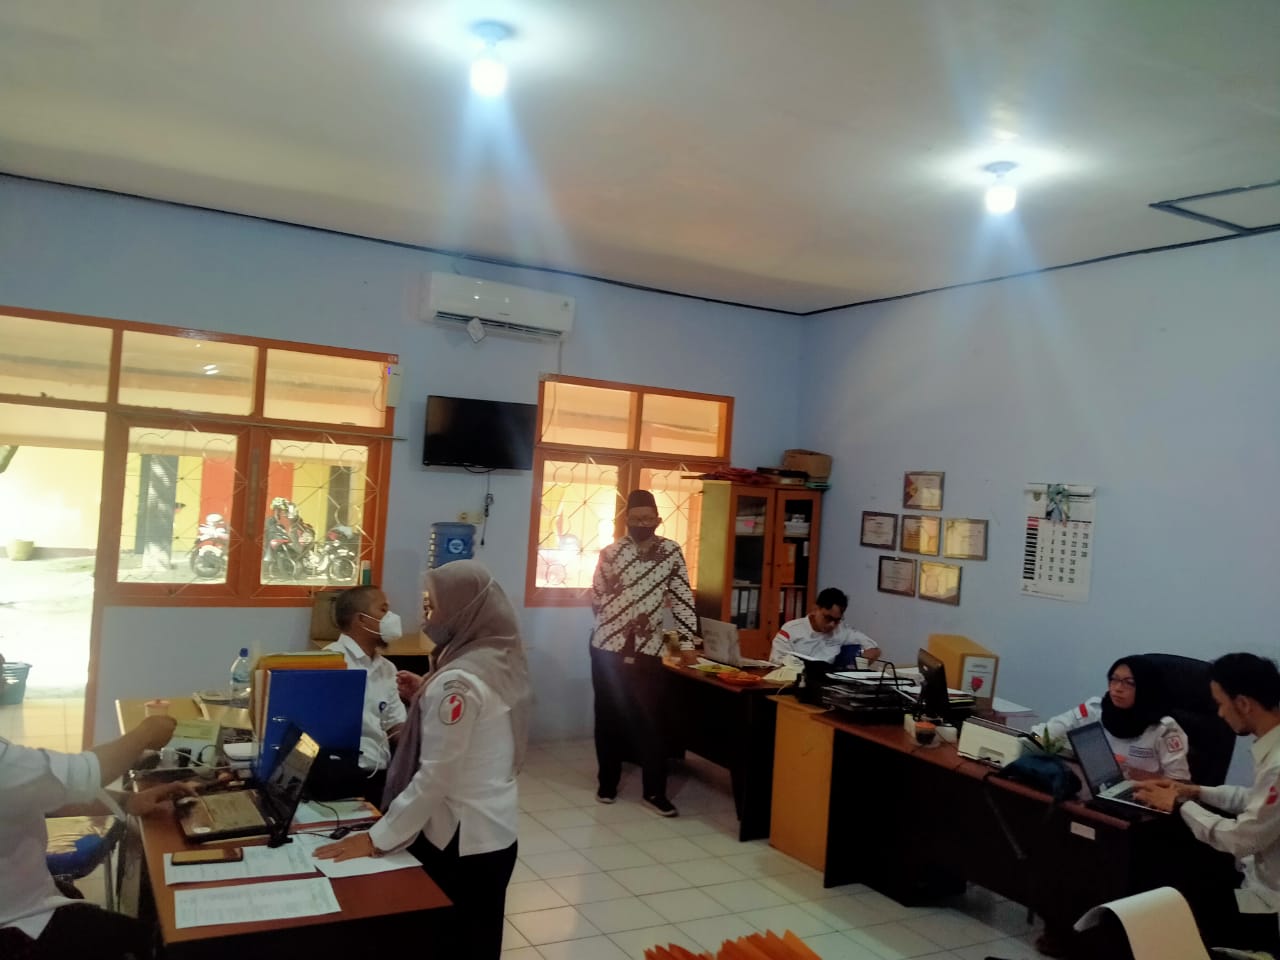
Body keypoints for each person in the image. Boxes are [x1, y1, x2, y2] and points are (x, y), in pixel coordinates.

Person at [315, 560, 531, 960]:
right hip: (495, 828)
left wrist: (377, 839)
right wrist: (427, 694)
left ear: (463, 611)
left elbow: (435, 778)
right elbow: (477, 723)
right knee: (480, 938)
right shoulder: (493, 659)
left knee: (454, 942)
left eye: (433, 606)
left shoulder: (456, 682)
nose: (426, 617)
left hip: (463, 840)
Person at [0, 715, 196, 959]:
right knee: (160, 943)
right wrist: (146, 733)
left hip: (28, 896)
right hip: (16, 926)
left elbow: (40, 791)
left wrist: (127, 801)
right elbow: (80, 774)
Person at [1135, 653, 1280, 953]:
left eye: (1220, 703)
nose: (1220, 714)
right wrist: (1194, 791)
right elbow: (1253, 800)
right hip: (1257, 874)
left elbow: (1241, 838)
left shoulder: (1278, 765)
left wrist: (1178, 804)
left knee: (1171, 900)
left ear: (1243, 703)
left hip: (1269, 903)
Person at [590, 489, 698, 817]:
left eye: (648, 519)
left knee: (653, 720)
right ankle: (607, 784)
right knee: (608, 716)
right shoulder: (611, 552)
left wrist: (683, 646)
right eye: (636, 519)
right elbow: (596, 595)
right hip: (607, 647)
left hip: (650, 649)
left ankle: (655, 792)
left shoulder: (671, 551)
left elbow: (680, 600)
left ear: (658, 520)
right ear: (626, 520)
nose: (642, 524)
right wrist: (615, 617)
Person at [1033, 655, 1191, 779]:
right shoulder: (1093, 710)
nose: (1117, 688)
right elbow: (1041, 735)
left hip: (1141, 797)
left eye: (1129, 683)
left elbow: (1180, 786)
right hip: (1089, 790)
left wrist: (1132, 775)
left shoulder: (1164, 729)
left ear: (1146, 688)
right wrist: (1036, 741)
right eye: (1114, 679)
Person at [324, 584, 407, 800]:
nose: (390, 618)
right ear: (361, 619)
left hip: (379, 775)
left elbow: (395, 724)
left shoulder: (387, 668)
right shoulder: (330, 662)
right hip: (338, 776)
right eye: (383, 610)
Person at [768, 587, 881, 666]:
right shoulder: (791, 630)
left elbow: (874, 650)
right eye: (828, 618)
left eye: (837, 620)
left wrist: (856, 668)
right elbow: (775, 663)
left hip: (828, 682)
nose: (832, 624)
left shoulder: (842, 630)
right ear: (815, 609)